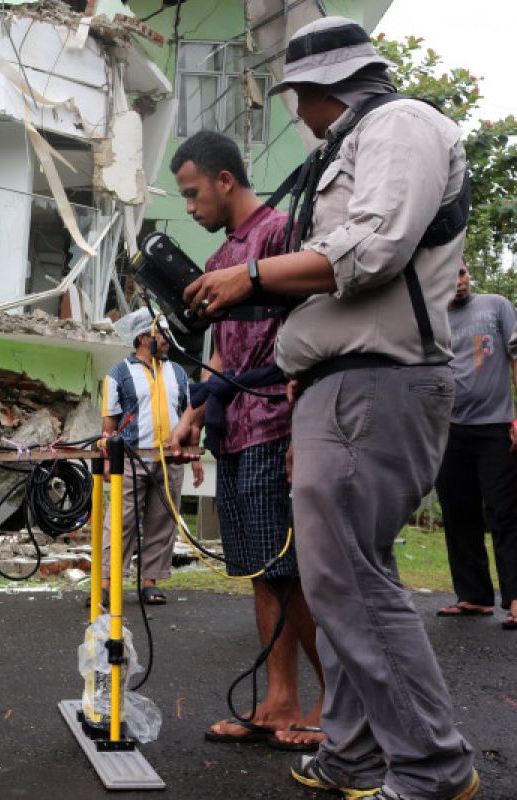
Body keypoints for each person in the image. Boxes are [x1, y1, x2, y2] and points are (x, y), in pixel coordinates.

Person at [181, 17, 479, 800]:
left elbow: (375, 247)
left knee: (350, 578)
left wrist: (250, 278)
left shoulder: (400, 124)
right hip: (338, 383)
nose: (297, 114)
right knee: (338, 578)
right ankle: (355, 752)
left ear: (318, 89)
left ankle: (431, 766)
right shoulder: (350, 143)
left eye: (297, 97)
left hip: (376, 378)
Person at [167, 130, 325, 751]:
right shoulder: (217, 262)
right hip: (235, 432)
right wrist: (194, 413)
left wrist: (306, 413)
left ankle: (335, 701)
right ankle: (280, 699)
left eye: (192, 193)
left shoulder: (282, 236)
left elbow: (312, 328)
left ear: (224, 181)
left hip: (278, 423)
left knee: (292, 572)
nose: (189, 207)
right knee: (263, 572)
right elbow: (220, 354)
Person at [434, 261, 517, 629]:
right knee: (458, 513)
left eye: (463, 273)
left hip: (496, 426)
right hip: (448, 430)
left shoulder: (496, 306)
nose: (459, 281)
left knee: (506, 512)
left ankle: (515, 598)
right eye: (450, 275)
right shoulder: (431, 320)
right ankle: (474, 596)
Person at [101, 309, 201, 606]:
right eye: (162, 334)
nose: (168, 339)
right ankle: (107, 583)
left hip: (170, 459)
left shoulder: (179, 373)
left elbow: (189, 416)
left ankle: (150, 581)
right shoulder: (119, 374)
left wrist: (194, 458)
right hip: (131, 458)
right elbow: (108, 424)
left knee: (163, 521)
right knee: (120, 521)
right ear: (143, 338)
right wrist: (107, 461)